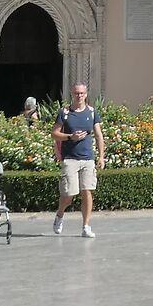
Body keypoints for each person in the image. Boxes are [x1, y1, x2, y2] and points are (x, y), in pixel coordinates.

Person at [53, 82, 101, 238]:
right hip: (70, 159)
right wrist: (70, 137)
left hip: (87, 158)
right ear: (72, 94)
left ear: (86, 94)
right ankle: (60, 214)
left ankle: (86, 226)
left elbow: (99, 135)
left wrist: (101, 156)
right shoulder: (64, 113)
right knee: (68, 195)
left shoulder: (92, 112)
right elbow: (54, 134)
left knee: (87, 191)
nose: (79, 95)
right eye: (76, 93)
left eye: (81, 93)